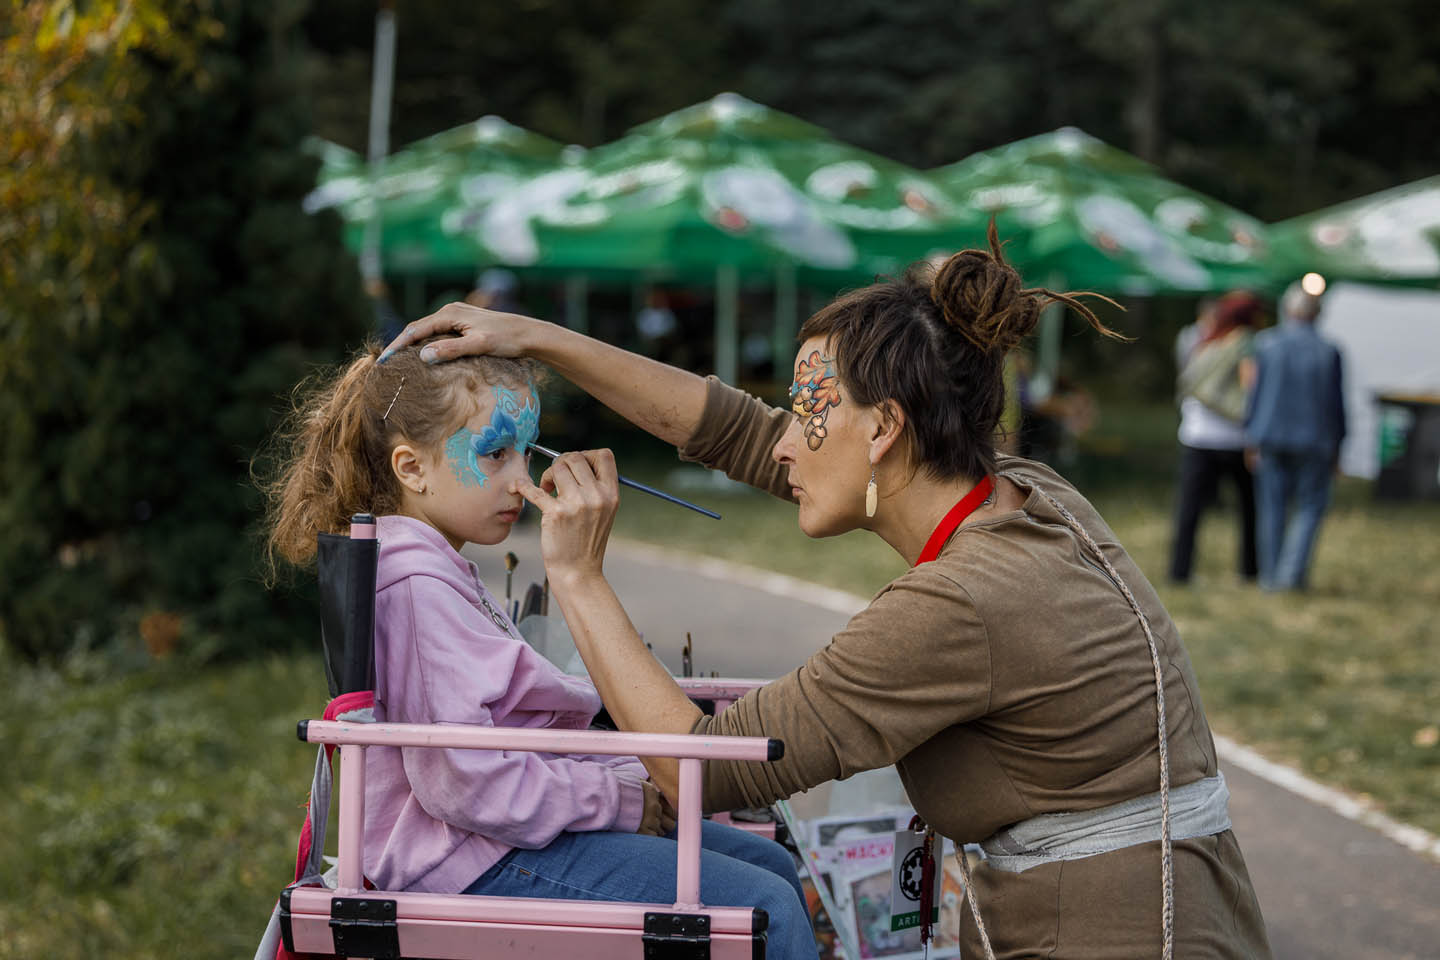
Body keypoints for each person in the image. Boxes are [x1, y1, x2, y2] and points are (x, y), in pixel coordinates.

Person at [381, 223, 1273, 959]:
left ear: (883, 428)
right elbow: (736, 431)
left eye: (809, 416)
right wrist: (537, 338)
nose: (781, 444)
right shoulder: (1029, 494)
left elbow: (704, 766)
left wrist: (577, 576)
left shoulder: (960, 604)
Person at [262, 343, 815, 956]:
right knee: (767, 905)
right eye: (495, 453)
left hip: (501, 838)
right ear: (412, 469)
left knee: (769, 865)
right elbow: (461, 782)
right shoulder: (417, 585)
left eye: (526, 451)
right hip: (469, 862)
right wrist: (619, 800)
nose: (522, 479)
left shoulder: (435, 570)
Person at [1244, 279, 1347, 592]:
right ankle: (1290, 576)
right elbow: (1336, 404)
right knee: (1309, 508)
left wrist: (1251, 436)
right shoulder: (1329, 350)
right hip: (1315, 440)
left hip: (1271, 436)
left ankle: (1271, 577)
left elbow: (1255, 396)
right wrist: (1340, 443)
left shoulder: (1266, 344)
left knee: (1272, 508)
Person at [1169, 291, 1263, 584]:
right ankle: (1250, 570)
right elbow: (1251, 387)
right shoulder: (1244, 343)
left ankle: (1180, 571)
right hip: (1234, 438)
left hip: (1196, 436)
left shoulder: (1205, 342)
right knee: (1248, 508)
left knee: (1189, 509)